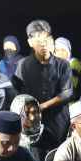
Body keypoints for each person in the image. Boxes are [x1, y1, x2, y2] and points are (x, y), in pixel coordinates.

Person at [12, 20, 74, 149]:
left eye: (46, 39)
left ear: (51, 40)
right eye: (38, 41)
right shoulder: (22, 65)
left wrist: (43, 106)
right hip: (32, 122)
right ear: (30, 43)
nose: (43, 44)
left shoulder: (63, 64)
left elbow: (67, 92)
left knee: (58, 158)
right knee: (34, 158)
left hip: (58, 123)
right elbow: (16, 91)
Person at [11, 94, 50, 161]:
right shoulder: (10, 141)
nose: (32, 118)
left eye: (35, 112)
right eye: (26, 114)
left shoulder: (46, 136)